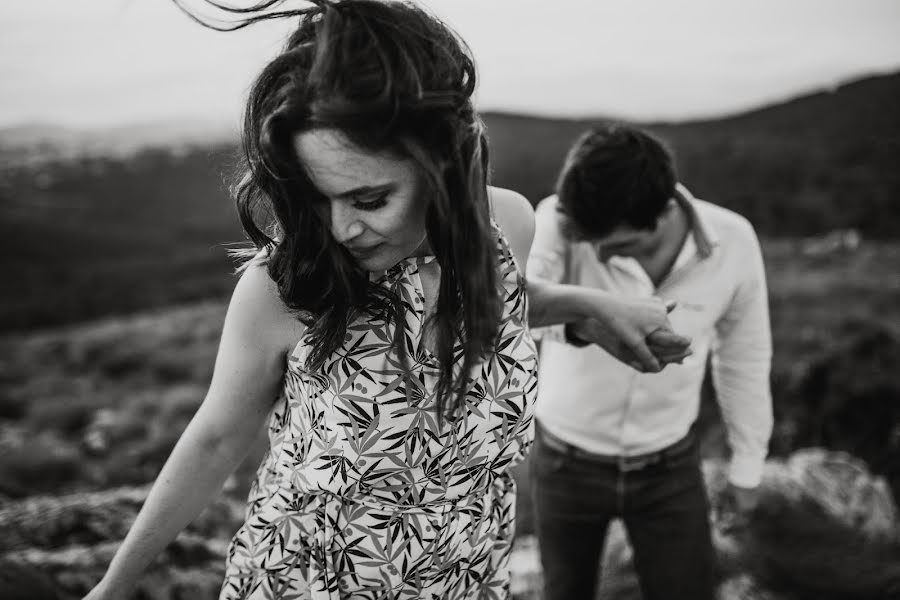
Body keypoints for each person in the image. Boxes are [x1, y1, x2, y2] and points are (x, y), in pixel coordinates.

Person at [84, 3, 690, 599]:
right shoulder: (282, 287)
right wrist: (112, 588)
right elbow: (216, 437)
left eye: (369, 200)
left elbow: (499, 303)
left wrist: (592, 306)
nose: (341, 228)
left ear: (442, 169)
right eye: (317, 199)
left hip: (465, 575)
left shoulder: (507, 225)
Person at [527, 124, 774, 600]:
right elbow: (513, 305)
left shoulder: (735, 242)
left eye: (616, 245)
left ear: (662, 213)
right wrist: (588, 319)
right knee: (563, 592)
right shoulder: (559, 220)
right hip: (564, 460)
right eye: (589, 239)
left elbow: (744, 357)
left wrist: (748, 464)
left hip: (670, 468)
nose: (596, 253)